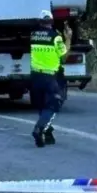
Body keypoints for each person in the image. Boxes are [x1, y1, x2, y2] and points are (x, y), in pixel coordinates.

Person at [29, 10, 72, 147]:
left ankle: (47, 133)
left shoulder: (33, 35)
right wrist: (68, 38)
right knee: (53, 105)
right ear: (52, 22)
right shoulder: (56, 38)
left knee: (42, 106)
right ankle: (39, 128)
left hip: (35, 76)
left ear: (39, 22)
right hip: (49, 76)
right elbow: (64, 56)